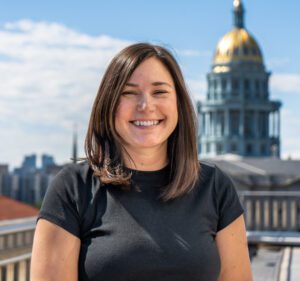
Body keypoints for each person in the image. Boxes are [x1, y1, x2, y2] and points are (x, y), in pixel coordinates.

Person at [31, 43, 253, 281]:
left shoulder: (215, 188)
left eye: (160, 92)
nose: (145, 106)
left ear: (179, 104)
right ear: (108, 105)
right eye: (129, 93)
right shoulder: (73, 188)